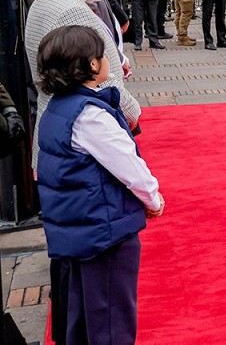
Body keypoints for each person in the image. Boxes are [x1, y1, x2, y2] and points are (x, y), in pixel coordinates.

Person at [34, 24, 164, 345]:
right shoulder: (90, 114)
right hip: (103, 231)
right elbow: (128, 165)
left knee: (81, 314)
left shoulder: (57, 109)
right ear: (92, 64)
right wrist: (153, 200)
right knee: (110, 318)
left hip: (75, 228)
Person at [27, 0, 143, 170]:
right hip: (82, 143)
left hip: (59, 136)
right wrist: (133, 112)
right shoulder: (73, 11)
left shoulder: (46, 0)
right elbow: (102, 82)